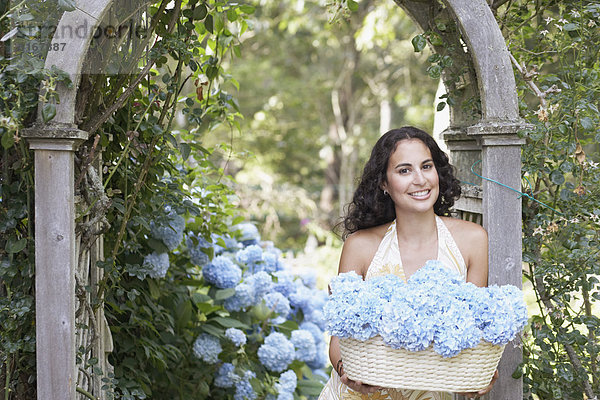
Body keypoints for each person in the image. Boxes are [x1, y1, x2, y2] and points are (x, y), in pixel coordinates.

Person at [318, 127, 498, 400]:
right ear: (384, 184)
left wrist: (483, 370)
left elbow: (475, 328)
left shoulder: (472, 240)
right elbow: (339, 340)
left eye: (426, 166)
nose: (420, 179)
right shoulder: (360, 246)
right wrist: (347, 371)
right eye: (404, 170)